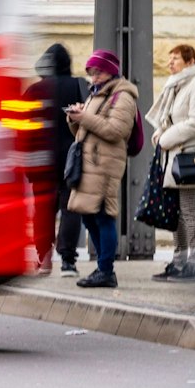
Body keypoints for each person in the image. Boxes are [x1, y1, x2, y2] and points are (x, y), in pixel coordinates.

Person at [64, 49, 138, 289]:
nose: (93, 78)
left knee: (103, 215)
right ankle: (102, 268)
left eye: (98, 72)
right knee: (88, 215)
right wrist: (74, 119)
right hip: (89, 164)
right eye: (91, 73)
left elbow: (116, 131)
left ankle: (106, 270)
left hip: (105, 165)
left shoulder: (123, 96)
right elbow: (84, 133)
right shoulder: (96, 94)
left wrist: (83, 117)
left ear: (111, 71)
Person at [143, 44, 195, 283]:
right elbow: (172, 118)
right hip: (173, 156)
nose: (170, 63)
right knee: (177, 213)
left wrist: (165, 138)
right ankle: (180, 262)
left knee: (190, 211)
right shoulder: (177, 85)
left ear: (190, 60)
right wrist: (160, 133)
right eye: (169, 58)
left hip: (187, 157)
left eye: (175, 59)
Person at [29, 43, 85, 276]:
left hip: (41, 162)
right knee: (71, 208)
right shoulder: (80, 86)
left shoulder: (34, 91)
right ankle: (68, 261)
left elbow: (23, 129)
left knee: (42, 211)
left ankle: (44, 259)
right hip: (73, 159)